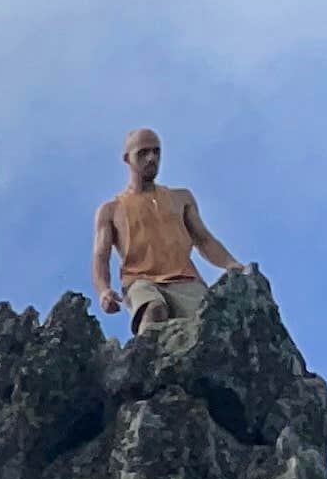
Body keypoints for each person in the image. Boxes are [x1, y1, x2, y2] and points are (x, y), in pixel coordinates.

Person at [92, 131, 239, 332]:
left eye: (156, 152)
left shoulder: (181, 198)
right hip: (141, 281)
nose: (151, 158)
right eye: (143, 153)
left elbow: (204, 240)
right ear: (127, 159)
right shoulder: (111, 209)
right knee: (154, 310)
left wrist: (231, 264)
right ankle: (144, 360)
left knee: (207, 327)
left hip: (186, 281)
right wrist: (104, 291)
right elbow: (101, 255)